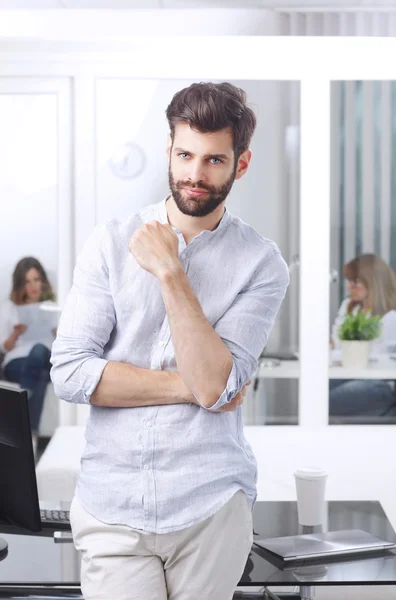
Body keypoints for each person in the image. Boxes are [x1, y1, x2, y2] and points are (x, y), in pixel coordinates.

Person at [50, 81, 290, 600]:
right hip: (112, 505)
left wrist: (170, 273)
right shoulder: (110, 241)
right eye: (185, 155)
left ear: (240, 165)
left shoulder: (261, 264)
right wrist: (197, 388)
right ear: (169, 150)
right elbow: (70, 374)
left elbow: (217, 385)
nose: (194, 175)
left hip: (210, 505)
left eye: (213, 160)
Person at [329, 253, 396, 420]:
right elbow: (335, 343)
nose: (350, 287)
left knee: (326, 401)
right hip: (348, 372)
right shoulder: (349, 307)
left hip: (379, 381)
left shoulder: (391, 317)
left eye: (355, 282)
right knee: (312, 391)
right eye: (348, 281)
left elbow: (385, 360)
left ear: (373, 283)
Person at [0, 257, 57, 451]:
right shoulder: (10, 307)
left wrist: (58, 333)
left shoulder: (52, 306)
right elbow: (4, 348)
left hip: (47, 358)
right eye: (27, 281)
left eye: (36, 279)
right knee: (39, 375)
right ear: (20, 284)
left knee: (40, 350)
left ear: (42, 281)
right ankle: (32, 436)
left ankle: (25, 394)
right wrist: (16, 333)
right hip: (17, 362)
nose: (32, 286)